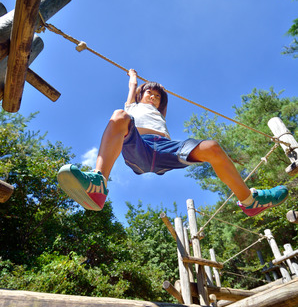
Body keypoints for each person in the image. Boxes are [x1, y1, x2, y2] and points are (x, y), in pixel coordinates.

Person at [57, 69, 288, 216]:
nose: (153, 97)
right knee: (119, 116)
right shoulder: (133, 106)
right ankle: (98, 183)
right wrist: (134, 78)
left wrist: (158, 90)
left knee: (212, 147)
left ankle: (249, 201)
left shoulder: (159, 114)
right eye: (149, 93)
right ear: (140, 95)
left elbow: (158, 100)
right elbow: (131, 91)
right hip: (140, 147)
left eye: (157, 96)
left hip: (166, 149)